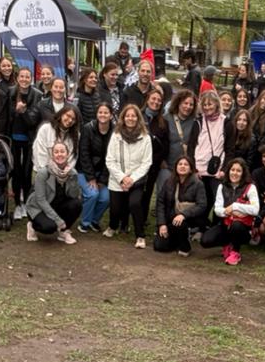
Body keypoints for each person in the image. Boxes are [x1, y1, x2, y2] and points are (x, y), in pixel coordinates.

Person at [105, 104, 153, 248]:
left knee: (134, 204)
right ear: (123, 118)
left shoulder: (145, 138)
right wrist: (122, 178)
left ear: (138, 118)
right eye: (128, 116)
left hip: (136, 180)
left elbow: (146, 162)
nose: (130, 118)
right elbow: (110, 159)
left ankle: (140, 236)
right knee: (115, 209)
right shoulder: (116, 136)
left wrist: (131, 179)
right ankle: (113, 227)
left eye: (133, 116)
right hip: (117, 179)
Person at [201, 158, 260, 264]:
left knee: (236, 225)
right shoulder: (221, 186)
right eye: (232, 170)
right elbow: (217, 209)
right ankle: (227, 243)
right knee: (205, 241)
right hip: (226, 223)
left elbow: (255, 210)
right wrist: (228, 211)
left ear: (243, 173)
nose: (235, 173)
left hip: (243, 227)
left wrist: (235, 206)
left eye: (238, 171)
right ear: (228, 171)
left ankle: (235, 252)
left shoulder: (251, 187)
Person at [26, 141, 83, 244]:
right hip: (39, 207)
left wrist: (73, 177)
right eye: (56, 152)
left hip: (57, 205)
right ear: (52, 155)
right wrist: (57, 220)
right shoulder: (44, 173)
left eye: (62, 151)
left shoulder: (71, 172)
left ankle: (63, 232)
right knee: (49, 227)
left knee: (76, 204)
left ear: (67, 154)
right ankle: (32, 226)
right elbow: (40, 200)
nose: (59, 154)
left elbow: (73, 195)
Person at [154, 154, 209, 255]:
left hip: (190, 218)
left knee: (180, 224)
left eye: (186, 164)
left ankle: (185, 246)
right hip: (171, 217)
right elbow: (160, 202)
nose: (182, 166)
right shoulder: (169, 182)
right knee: (159, 246)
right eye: (180, 164)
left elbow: (202, 205)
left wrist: (183, 215)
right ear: (176, 167)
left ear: (191, 169)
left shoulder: (198, 184)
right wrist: (162, 224)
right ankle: (177, 239)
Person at [6, 67, 43, 217]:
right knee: (16, 171)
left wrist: (23, 112)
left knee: (27, 172)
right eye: (22, 76)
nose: (24, 79)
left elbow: (34, 120)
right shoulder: (10, 92)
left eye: (27, 77)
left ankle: (27, 202)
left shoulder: (37, 95)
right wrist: (16, 111)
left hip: (29, 139)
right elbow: (7, 114)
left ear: (31, 78)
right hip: (14, 138)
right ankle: (17, 204)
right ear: (17, 77)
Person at [76, 102, 114, 233]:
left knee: (106, 198)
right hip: (84, 170)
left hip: (104, 172)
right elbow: (84, 154)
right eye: (100, 112)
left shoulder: (115, 132)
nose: (103, 115)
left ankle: (94, 220)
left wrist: (103, 180)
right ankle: (84, 222)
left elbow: (111, 158)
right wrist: (91, 177)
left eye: (106, 112)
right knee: (92, 194)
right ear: (97, 114)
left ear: (111, 115)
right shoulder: (88, 128)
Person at [195, 90, 227, 201]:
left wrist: (224, 169)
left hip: (217, 169)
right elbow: (191, 146)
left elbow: (230, 148)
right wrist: (194, 169)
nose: (207, 107)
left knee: (217, 200)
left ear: (217, 104)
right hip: (199, 168)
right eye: (204, 105)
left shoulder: (225, 122)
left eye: (210, 104)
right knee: (201, 201)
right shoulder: (198, 121)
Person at [33, 105, 80, 173]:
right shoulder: (45, 129)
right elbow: (40, 155)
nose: (70, 120)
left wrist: (65, 172)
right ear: (61, 114)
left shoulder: (76, 135)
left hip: (64, 174)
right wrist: (51, 172)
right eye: (68, 115)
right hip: (45, 172)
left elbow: (73, 157)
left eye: (73, 119)